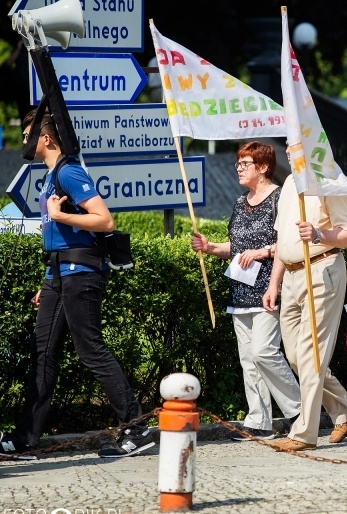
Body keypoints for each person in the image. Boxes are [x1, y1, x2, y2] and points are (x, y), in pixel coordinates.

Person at [0, 110, 153, 459]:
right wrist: (48, 280)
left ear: (47, 139)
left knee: (90, 349)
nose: (24, 141)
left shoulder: (69, 172)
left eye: (28, 134)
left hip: (81, 272)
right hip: (58, 273)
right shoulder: (51, 175)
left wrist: (60, 215)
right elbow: (58, 238)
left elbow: (104, 219)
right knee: (43, 353)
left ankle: (136, 427)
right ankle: (26, 439)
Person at [191, 141, 301, 441]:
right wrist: (210, 247)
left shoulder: (280, 198)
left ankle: (298, 412)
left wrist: (262, 252)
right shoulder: (240, 202)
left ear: (263, 167)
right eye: (238, 163)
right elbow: (238, 249)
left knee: (265, 352)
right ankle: (259, 422)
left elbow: (289, 242)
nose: (238, 168)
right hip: (240, 290)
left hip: (269, 288)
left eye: (245, 164)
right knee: (249, 361)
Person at [262, 148, 347, 452]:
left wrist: (319, 234)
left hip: (322, 270)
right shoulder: (291, 182)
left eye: (299, 149)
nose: (293, 155)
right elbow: (282, 239)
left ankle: (304, 433)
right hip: (291, 274)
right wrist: (273, 283)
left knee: (310, 354)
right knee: (295, 354)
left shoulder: (333, 180)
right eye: (290, 150)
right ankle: (344, 407)